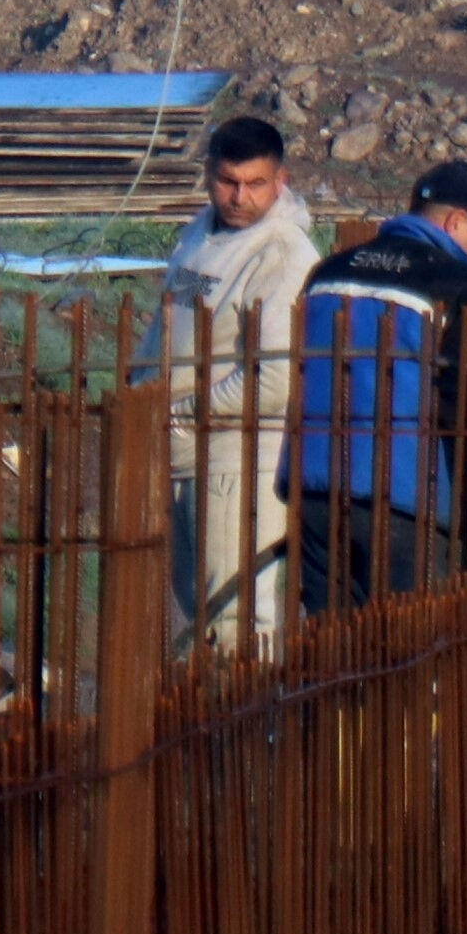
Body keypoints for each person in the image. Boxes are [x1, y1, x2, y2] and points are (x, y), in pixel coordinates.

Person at [287, 159, 467, 611]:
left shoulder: (327, 275)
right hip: (407, 501)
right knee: (408, 653)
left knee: (332, 649)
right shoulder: (461, 289)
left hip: (315, 491)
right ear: (455, 222)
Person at [152, 116, 319, 646]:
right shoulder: (198, 233)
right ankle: (218, 723)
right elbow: (166, 324)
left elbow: (275, 380)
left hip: (238, 455)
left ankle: (253, 728)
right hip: (182, 450)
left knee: (237, 620)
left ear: (281, 180)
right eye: (228, 181)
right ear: (208, 174)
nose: (239, 197)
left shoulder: (284, 253)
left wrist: (184, 416)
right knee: (199, 610)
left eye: (256, 184)